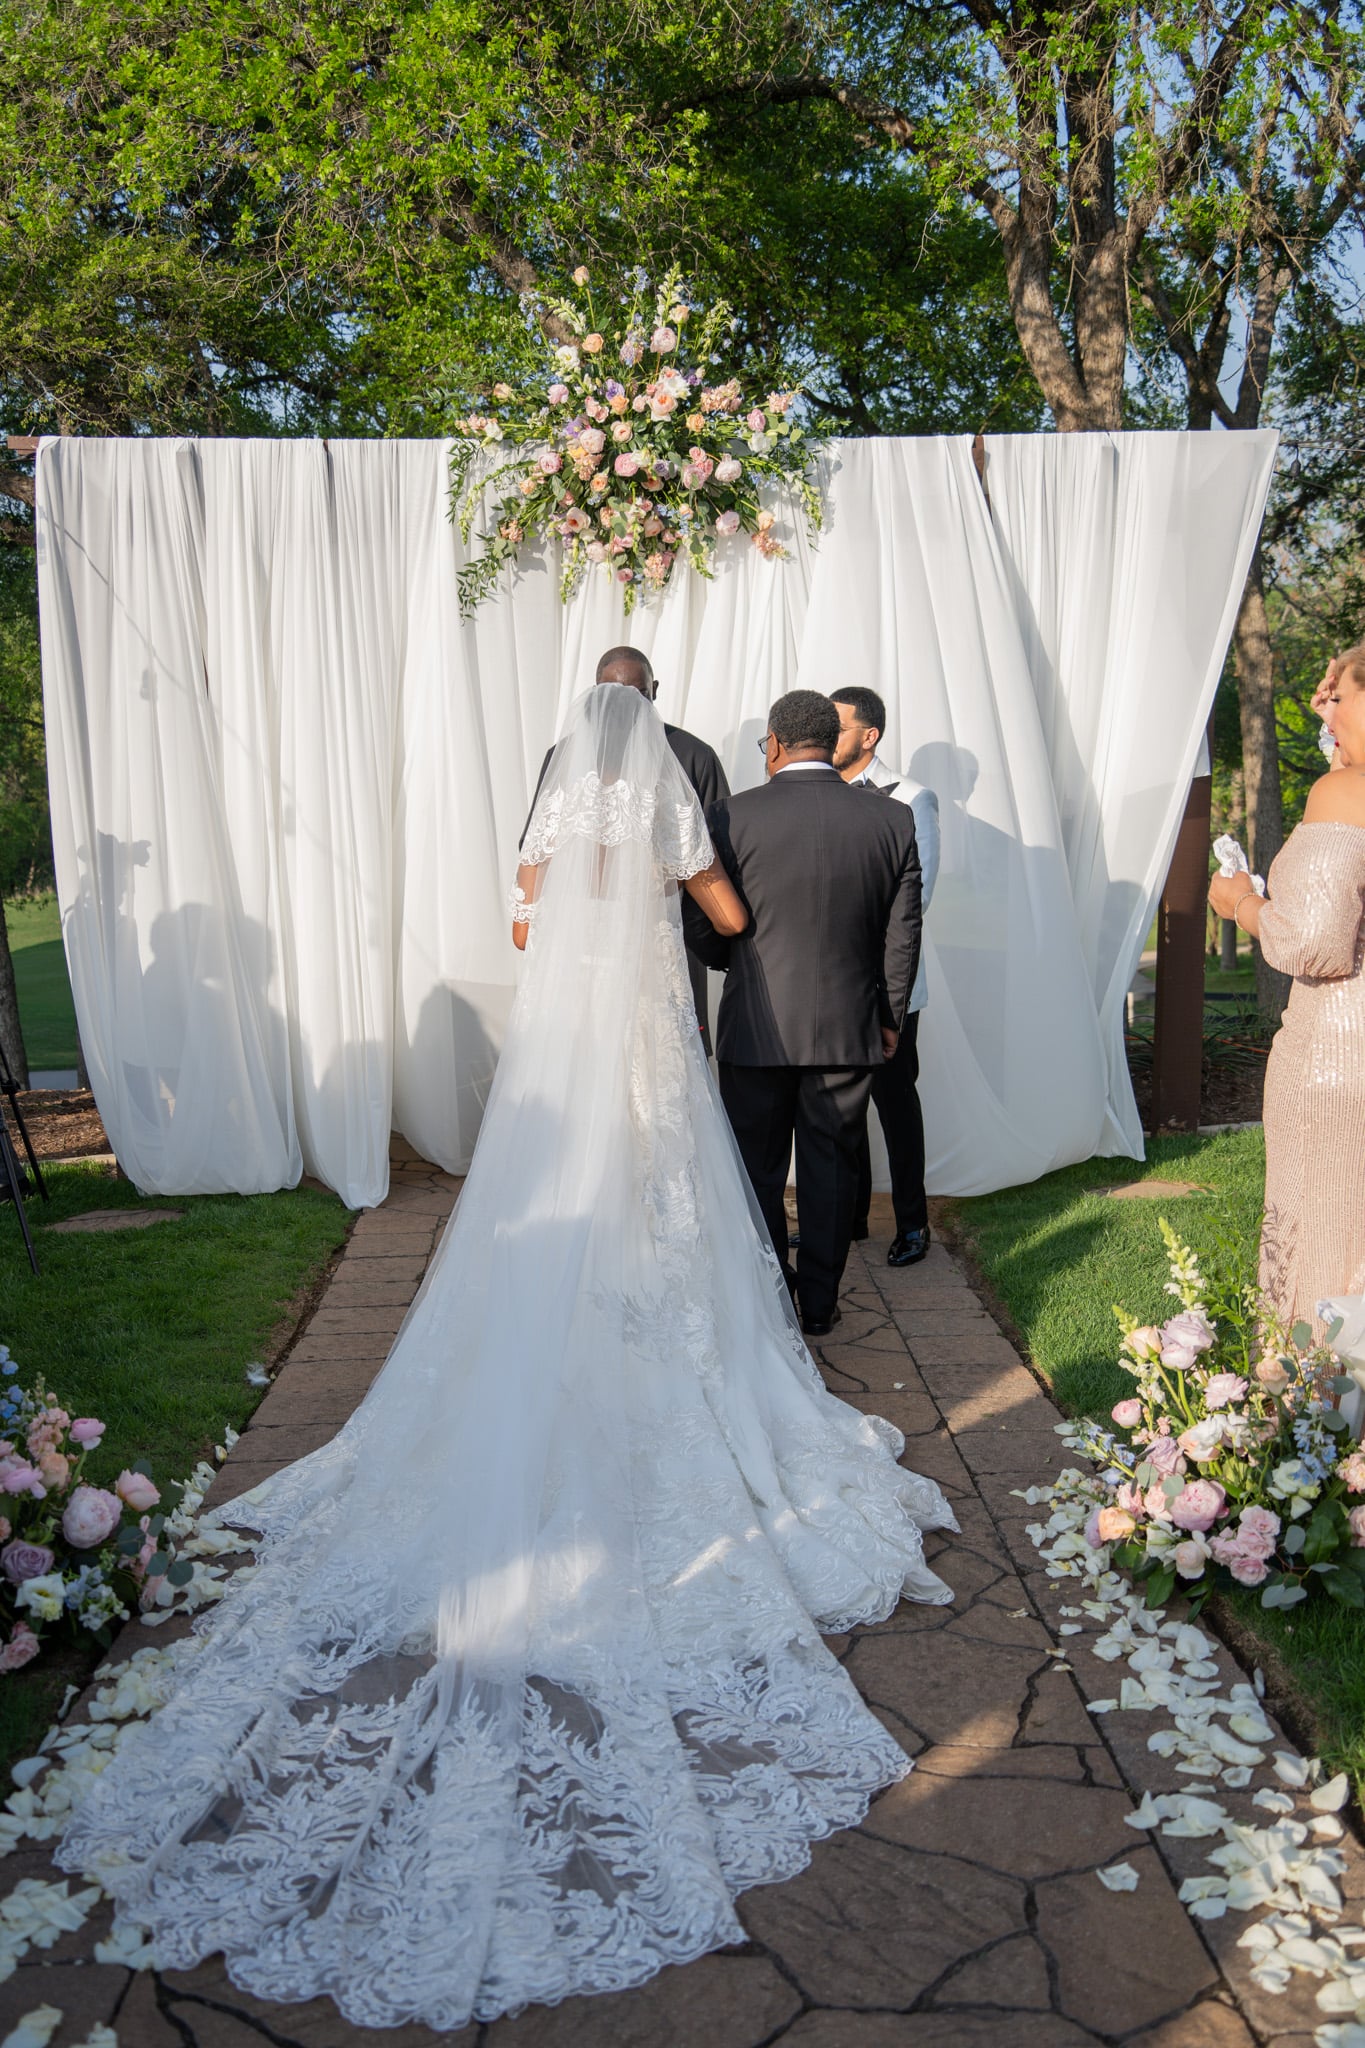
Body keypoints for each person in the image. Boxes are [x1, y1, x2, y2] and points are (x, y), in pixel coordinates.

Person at [60, 684, 956, 2033]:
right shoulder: (676, 811)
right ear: (654, 757)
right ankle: (680, 1369)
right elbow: (718, 915)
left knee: (552, 1214)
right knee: (674, 1213)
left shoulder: (554, 821)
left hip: (568, 1054)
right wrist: (687, 897)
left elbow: (533, 904)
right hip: (647, 1055)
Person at [690, 690, 923, 1337]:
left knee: (759, 1172)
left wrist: (728, 965)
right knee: (830, 1167)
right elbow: (902, 935)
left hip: (755, 1026)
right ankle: (819, 1305)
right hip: (848, 1028)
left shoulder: (729, 817)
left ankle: (770, 1300)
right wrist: (888, 1017)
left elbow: (702, 923)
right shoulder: (890, 821)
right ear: (831, 740)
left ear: (774, 744)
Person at [1208, 642, 1365, 1338]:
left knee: (1325, 1242)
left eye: (1339, 694)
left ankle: (1317, 1412)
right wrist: (1337, 731)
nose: (1325, 706)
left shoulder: (1342, 795)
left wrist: (1241, 904)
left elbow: (1315, 946)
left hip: (1337, 1059)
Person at [523, 644, 729, 1048]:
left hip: (661, 953)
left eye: (634, 695)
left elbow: (713, 862)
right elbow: (538, 850)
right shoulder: (564, 756)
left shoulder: (692, 756)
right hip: (583, 958)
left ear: (656, 690)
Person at [831, 685, 938, 1267]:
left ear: (868, 736)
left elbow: (918, 899)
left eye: (838, 728)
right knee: (840, 1105)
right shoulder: (825, 794)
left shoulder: (914, 799)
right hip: (835, 983)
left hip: (891, 985)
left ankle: (913, 1224)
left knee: (894, 1105)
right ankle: (847, 1221)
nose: (827, 739)